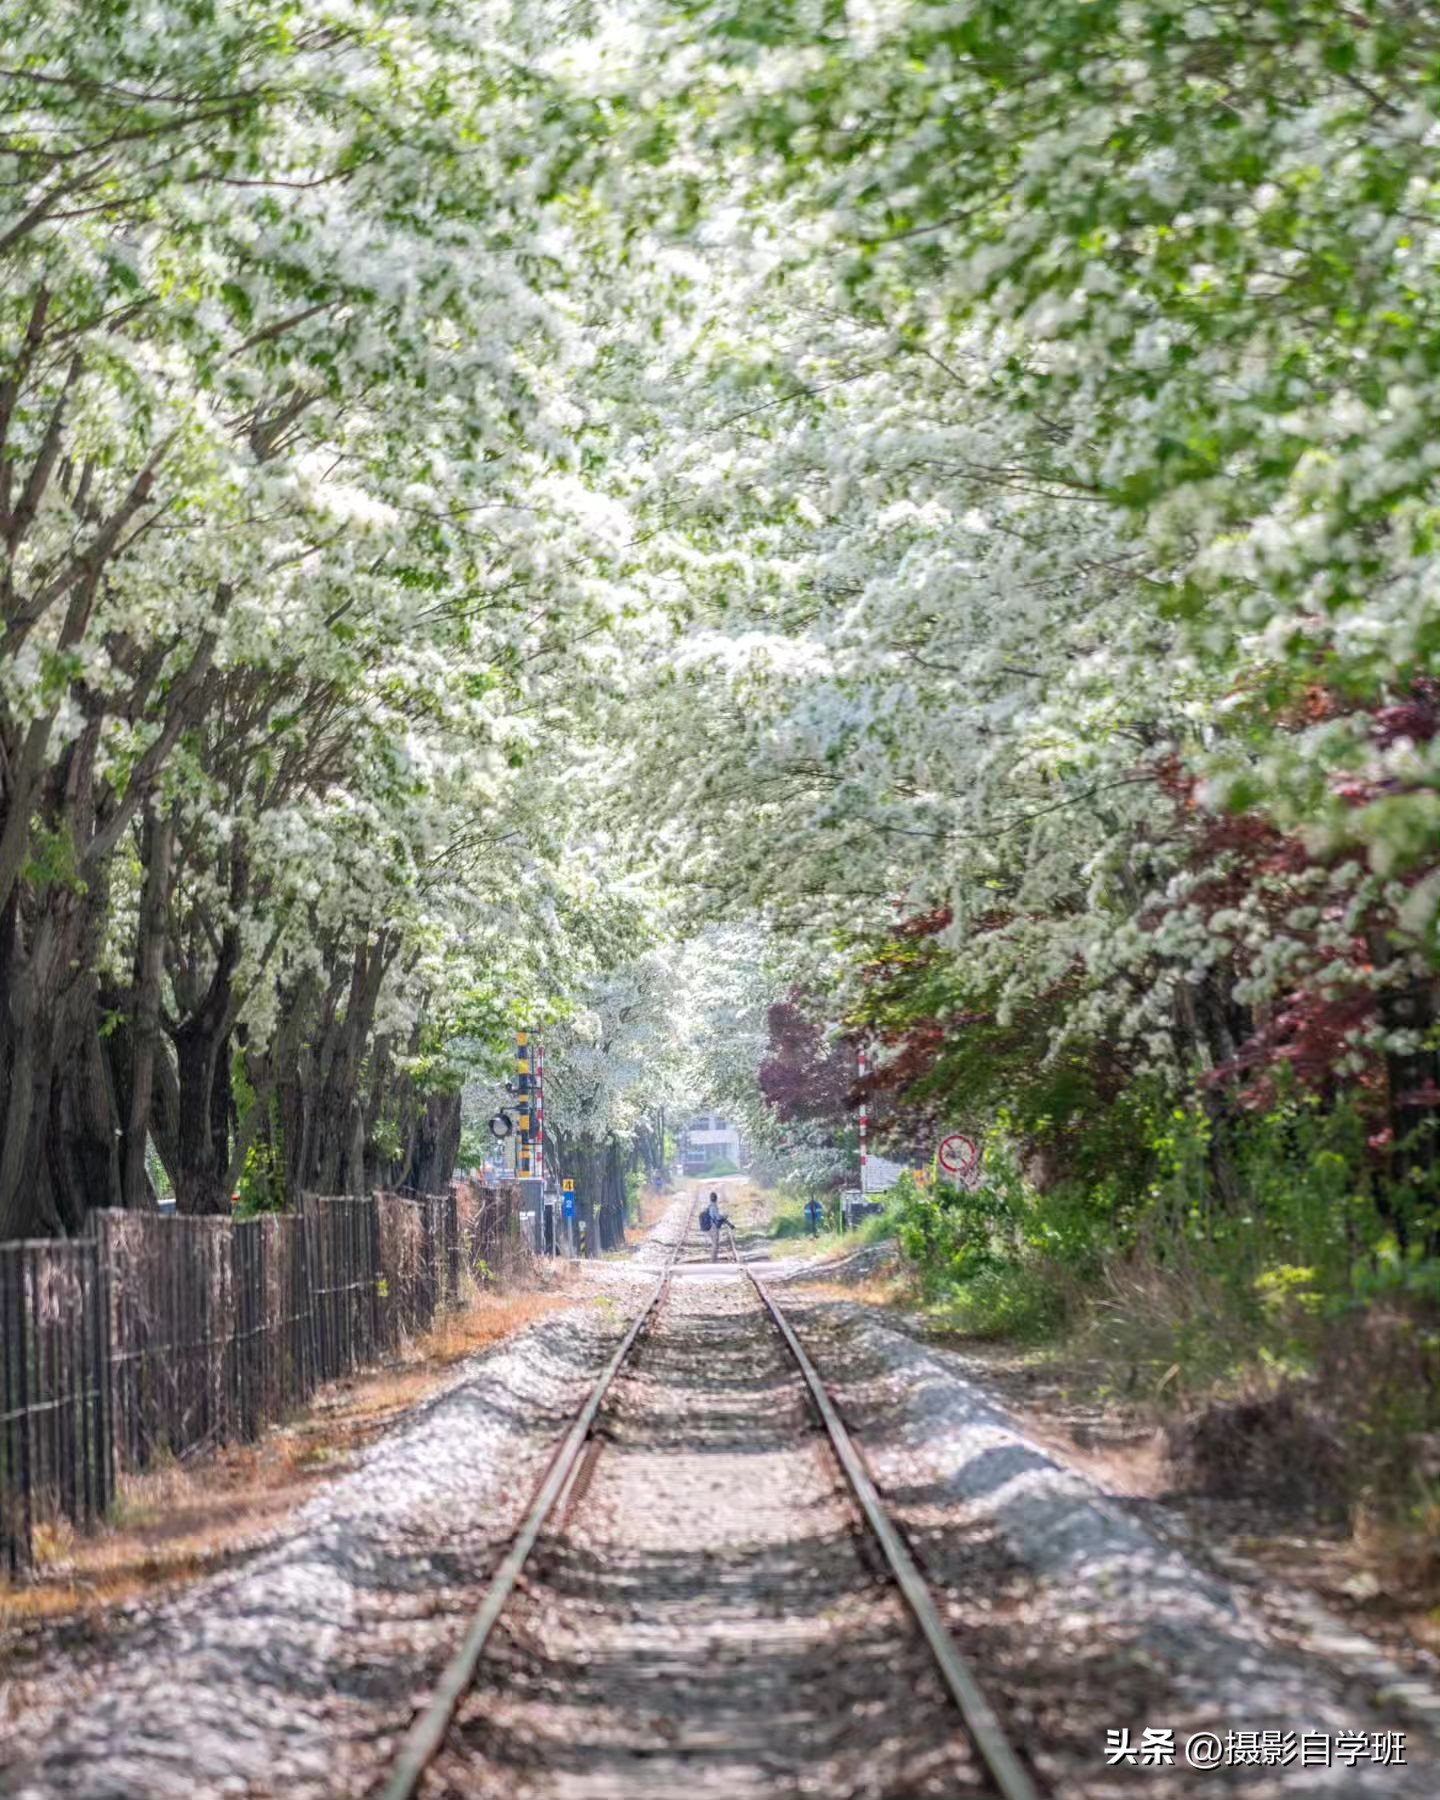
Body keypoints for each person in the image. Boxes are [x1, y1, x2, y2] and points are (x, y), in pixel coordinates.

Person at [702, 1188, 732, 1261]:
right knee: (715, 1244)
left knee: (714, 1243)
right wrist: (724, 1216)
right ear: (716, 1199)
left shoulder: (709, 1206)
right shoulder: (714, 1207)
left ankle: (713, 1259)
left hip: (709, 1227)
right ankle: (713, 1260)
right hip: (713, 1227)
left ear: (710, 1199)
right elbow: (717, 1217)